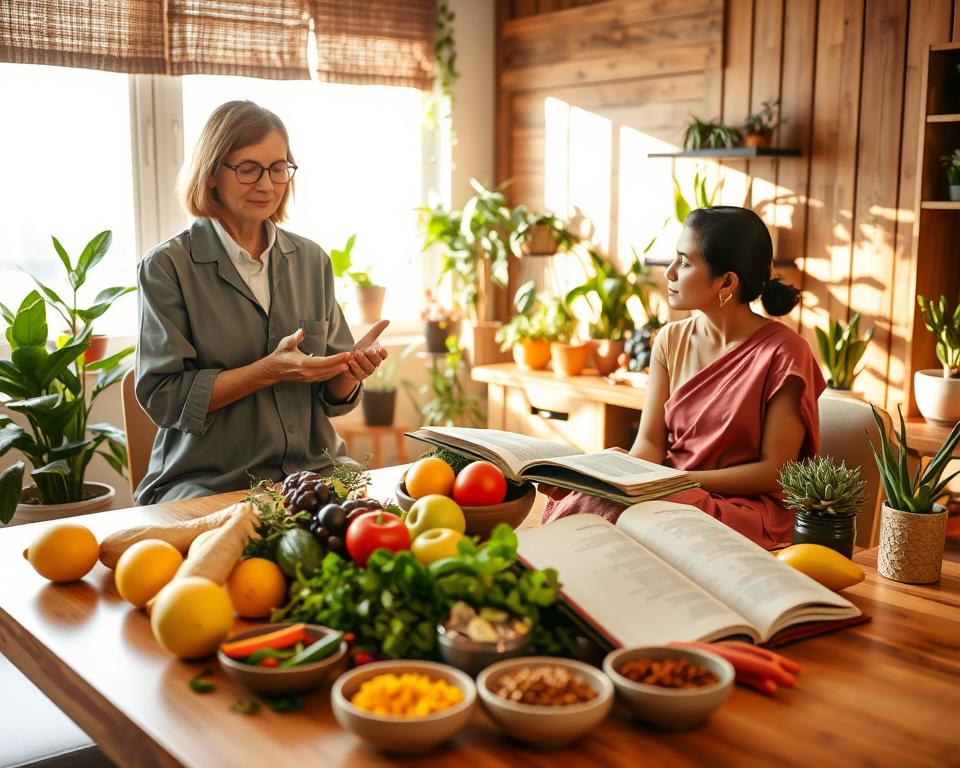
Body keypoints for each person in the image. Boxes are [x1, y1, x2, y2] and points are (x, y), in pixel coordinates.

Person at [134, 100, 387, 504]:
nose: (267, 185)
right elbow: (164, 397)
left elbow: (331, 398)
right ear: (212, 172)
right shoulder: (167, 267)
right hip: (209, 482)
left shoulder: (312, 260)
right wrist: (268, 370)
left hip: (315, 472)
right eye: (248, 168)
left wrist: (350, 370)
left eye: (278, 168)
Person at [543, 206, 825, 549]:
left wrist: (677, 481)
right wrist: (609, 473)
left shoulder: (785, 352)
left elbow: (775, 470)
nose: (670, 273)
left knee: (634, 513)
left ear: (727, 282)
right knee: (594, 496)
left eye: (685, 262)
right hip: (671, 491)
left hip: (742, 509)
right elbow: (649, 445)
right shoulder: (669, 339)